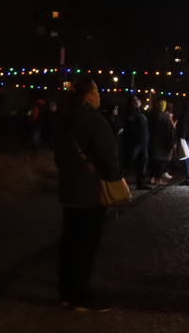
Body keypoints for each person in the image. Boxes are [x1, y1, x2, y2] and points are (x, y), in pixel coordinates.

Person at [53, 77, 123, 312]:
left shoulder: (63, 119)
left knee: (69, 243)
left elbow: (58, 157)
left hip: (68, 188)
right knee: (86, 245)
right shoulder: (95, 121)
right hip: (90, 191)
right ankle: (80, 297)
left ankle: (66, 293)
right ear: (89, 95)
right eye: (97, 91)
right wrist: (114, 177)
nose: (99, 96)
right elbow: (107, 157)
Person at [123, 95, 151, 190]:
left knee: (142, 162)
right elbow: (131, 128)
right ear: (132, 102)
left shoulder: (140, 113)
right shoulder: (130, 113)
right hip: (135, 142)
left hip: (143, 142)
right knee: (128, 162)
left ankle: (141, 183)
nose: (139, 100)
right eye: (136, 99)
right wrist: (138, 136)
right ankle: (118, 182)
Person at [149, 100, 175, 185]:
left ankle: (152, 177)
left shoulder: (151, 115)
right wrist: (172, 142)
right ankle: (158, 178)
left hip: (153, 140)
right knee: (162, 160)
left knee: (153, 160)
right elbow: (169, 131)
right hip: (163, 142)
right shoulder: (166, 117)